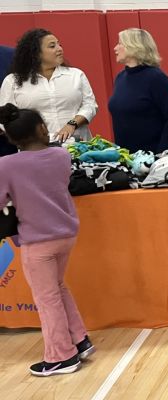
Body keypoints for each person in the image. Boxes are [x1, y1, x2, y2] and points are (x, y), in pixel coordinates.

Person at [0, 103, 94, 376]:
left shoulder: (6, 165)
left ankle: (61, 356)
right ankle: (79, 339)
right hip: (66, 234)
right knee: (58, 287)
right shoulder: (60, 155)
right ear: (42, 129)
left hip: (37, 241)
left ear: (11, 137)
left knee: (46, 298)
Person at [0, 29, 97, 143]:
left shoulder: (76, 75)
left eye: (59, 45)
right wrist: (29, 139)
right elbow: (5, 117)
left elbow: (90, 106)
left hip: (79, 146)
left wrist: (72, 124)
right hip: (35, 149)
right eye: (52, 46)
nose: (59, 49)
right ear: (35, 53)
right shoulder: (13, 81)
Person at [108, 28, 168, 153]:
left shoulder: (156, 78)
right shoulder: (121, 77)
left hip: (151, 156)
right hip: (126, 155)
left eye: (120, 43)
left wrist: (161, 154)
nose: (115, 48)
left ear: (134, 46)